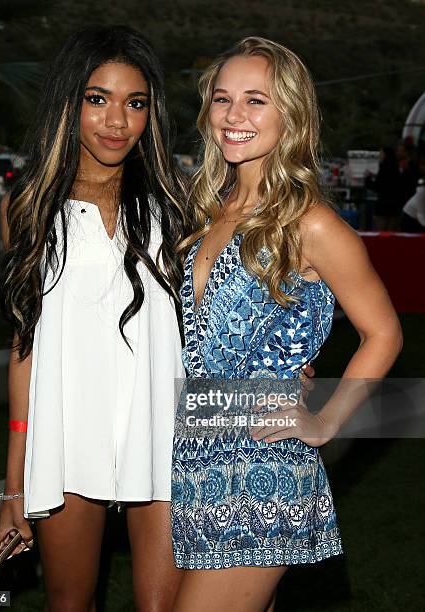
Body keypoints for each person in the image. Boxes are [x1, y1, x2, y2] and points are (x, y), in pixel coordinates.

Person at [171, 37, 403, 612]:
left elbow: (385, 332)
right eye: (223, 99)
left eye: (256, 100)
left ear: (291, 115)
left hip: (262, 465)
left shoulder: (311, 223)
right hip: (193, 456)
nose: (234, 116)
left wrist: (325, 422)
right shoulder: (206, 210)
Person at [0, 25, 188, 612]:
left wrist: (290, 357)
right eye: (97, 99)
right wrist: (14, 486)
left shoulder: (175, 201)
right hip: (69, 432)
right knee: (70, 604)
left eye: (135, 103)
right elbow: (26, 347)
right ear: (69, 103)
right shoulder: (26, 207)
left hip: (163, 430)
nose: (116, 122)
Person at [365, 146, 401, 230]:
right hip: (394, 207)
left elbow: (377, 186)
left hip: (383, 205)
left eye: (381, 153)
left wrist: (368, 179)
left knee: (381, 231)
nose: (379, 155)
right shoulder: (396, 168)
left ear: (385, 155)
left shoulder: (384, 167)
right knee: (391, 233)